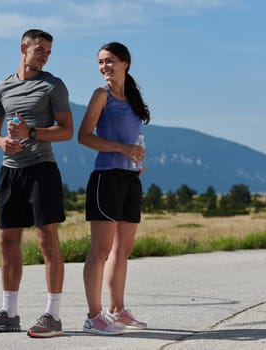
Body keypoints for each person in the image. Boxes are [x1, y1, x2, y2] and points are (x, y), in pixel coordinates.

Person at [0, 29, 73, 338]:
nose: (44, 55)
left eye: (48, 52)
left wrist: (31, 133)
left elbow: (67, 130)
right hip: (10, 172)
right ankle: (9, 313)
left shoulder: (52, 86)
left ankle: (52, 316)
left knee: (47, 241)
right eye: (40, 49)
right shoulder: (1, 88)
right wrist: (2, 141)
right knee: (7, 242)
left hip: (42, 170)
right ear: (23, 48)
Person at [78, 42, 150, 336]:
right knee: (101, 250)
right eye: (100, 62)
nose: (104, 67)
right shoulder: (101, 95)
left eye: (109, 61)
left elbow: (134, 136)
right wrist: (122, 148)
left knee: (124, 249)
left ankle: (116, 310)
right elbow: (84, 136)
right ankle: (93, 317)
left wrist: (137, 157)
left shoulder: (132, 98)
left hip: (130, 178)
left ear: (125, 63)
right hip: (106, 177)